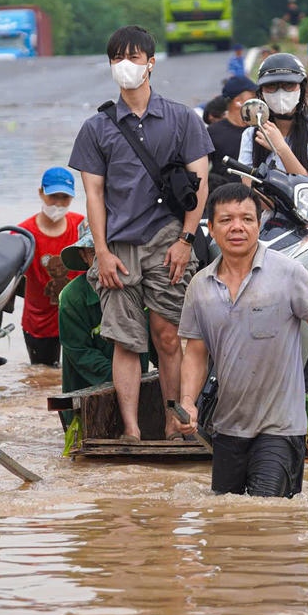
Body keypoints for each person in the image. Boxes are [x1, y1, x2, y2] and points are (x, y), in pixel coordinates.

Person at [68, 24, 212, 443]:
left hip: (168, 239)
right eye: (117, 58)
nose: (125, 66)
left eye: (133, 57)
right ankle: (131, 430)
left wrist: (186, 240)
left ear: (151, 63)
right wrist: (101, 251)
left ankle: (172, 424)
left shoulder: (182, 119)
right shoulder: (97, 128)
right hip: (118, 244)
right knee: (125, 341)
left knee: (168, 336)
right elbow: (93, 195)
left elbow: (198, 184)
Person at [177, 183, 308, 497]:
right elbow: (196, 352)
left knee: (268, 519)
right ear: (210, 227)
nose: (237, 227)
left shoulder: (289, 273)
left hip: (281, 428)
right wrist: (187, 402)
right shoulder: (200, 286)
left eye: (246, 219)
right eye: (226, 220)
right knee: (225, 532)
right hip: (227, 427)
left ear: (258, 223)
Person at [56, 221, 153, 429]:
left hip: (138, 391)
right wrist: (126, 380)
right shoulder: (72, 297)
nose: (105, 261)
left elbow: (158, 342)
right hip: (87, 396)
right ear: (84, 256)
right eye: (95, 253)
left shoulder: (141, 290)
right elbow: (80, 353)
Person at [237, 53, 308, 188]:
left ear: (302, 89)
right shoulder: (251, 135)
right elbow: (250, 192)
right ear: (261, 92)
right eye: (271, 86)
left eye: (289, 85)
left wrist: (281, 148)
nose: (280, 93)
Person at [17, 167, 85, 366]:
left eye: (65, 197)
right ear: (41, 192)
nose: (58, 203)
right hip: (39, 323)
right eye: (53, 196)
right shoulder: (23, 234)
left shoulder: (83, 227)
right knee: (43, 376)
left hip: (77, 320)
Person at [206, 74, 256, 192]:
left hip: (257, 198)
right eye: (253, 96)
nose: (257, 100)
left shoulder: (259, 130)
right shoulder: (212, 132)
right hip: (225, 199)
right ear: (238, 102)